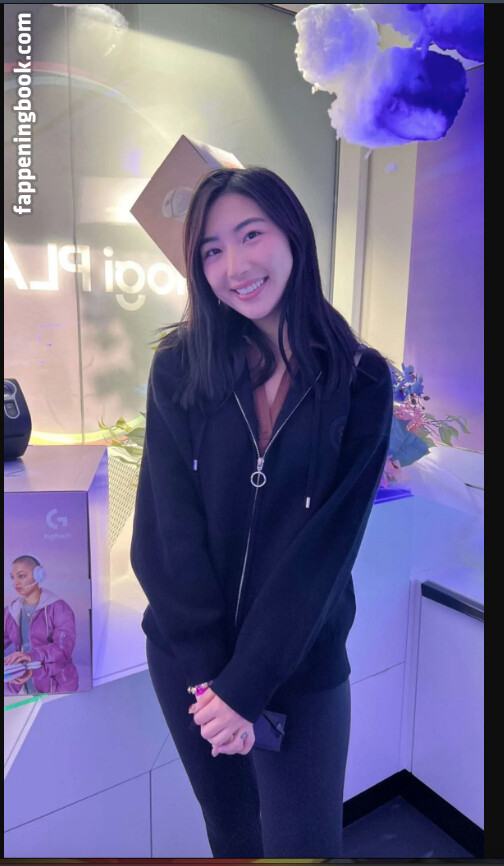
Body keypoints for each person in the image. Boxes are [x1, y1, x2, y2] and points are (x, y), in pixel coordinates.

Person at [130, 166, 393, 858]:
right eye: (212, 250)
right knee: (235, 839)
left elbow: (326, 551)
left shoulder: (360, 379)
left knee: (305, 846)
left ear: (293, 235)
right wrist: (213, 681)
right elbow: (165, 534)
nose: (235, 267)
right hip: (190, 657)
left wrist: (246, 689)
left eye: (251, 235)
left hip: (300, 665)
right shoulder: (179, 368)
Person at [4, 555, 79, 695]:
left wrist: (31, 656)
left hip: (55, 681)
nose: (16, 583)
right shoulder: (11, 611)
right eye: (12, 577)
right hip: (21, 685)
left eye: (21, 576)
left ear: (38, 575)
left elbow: (63, 650)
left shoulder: (59, 608)